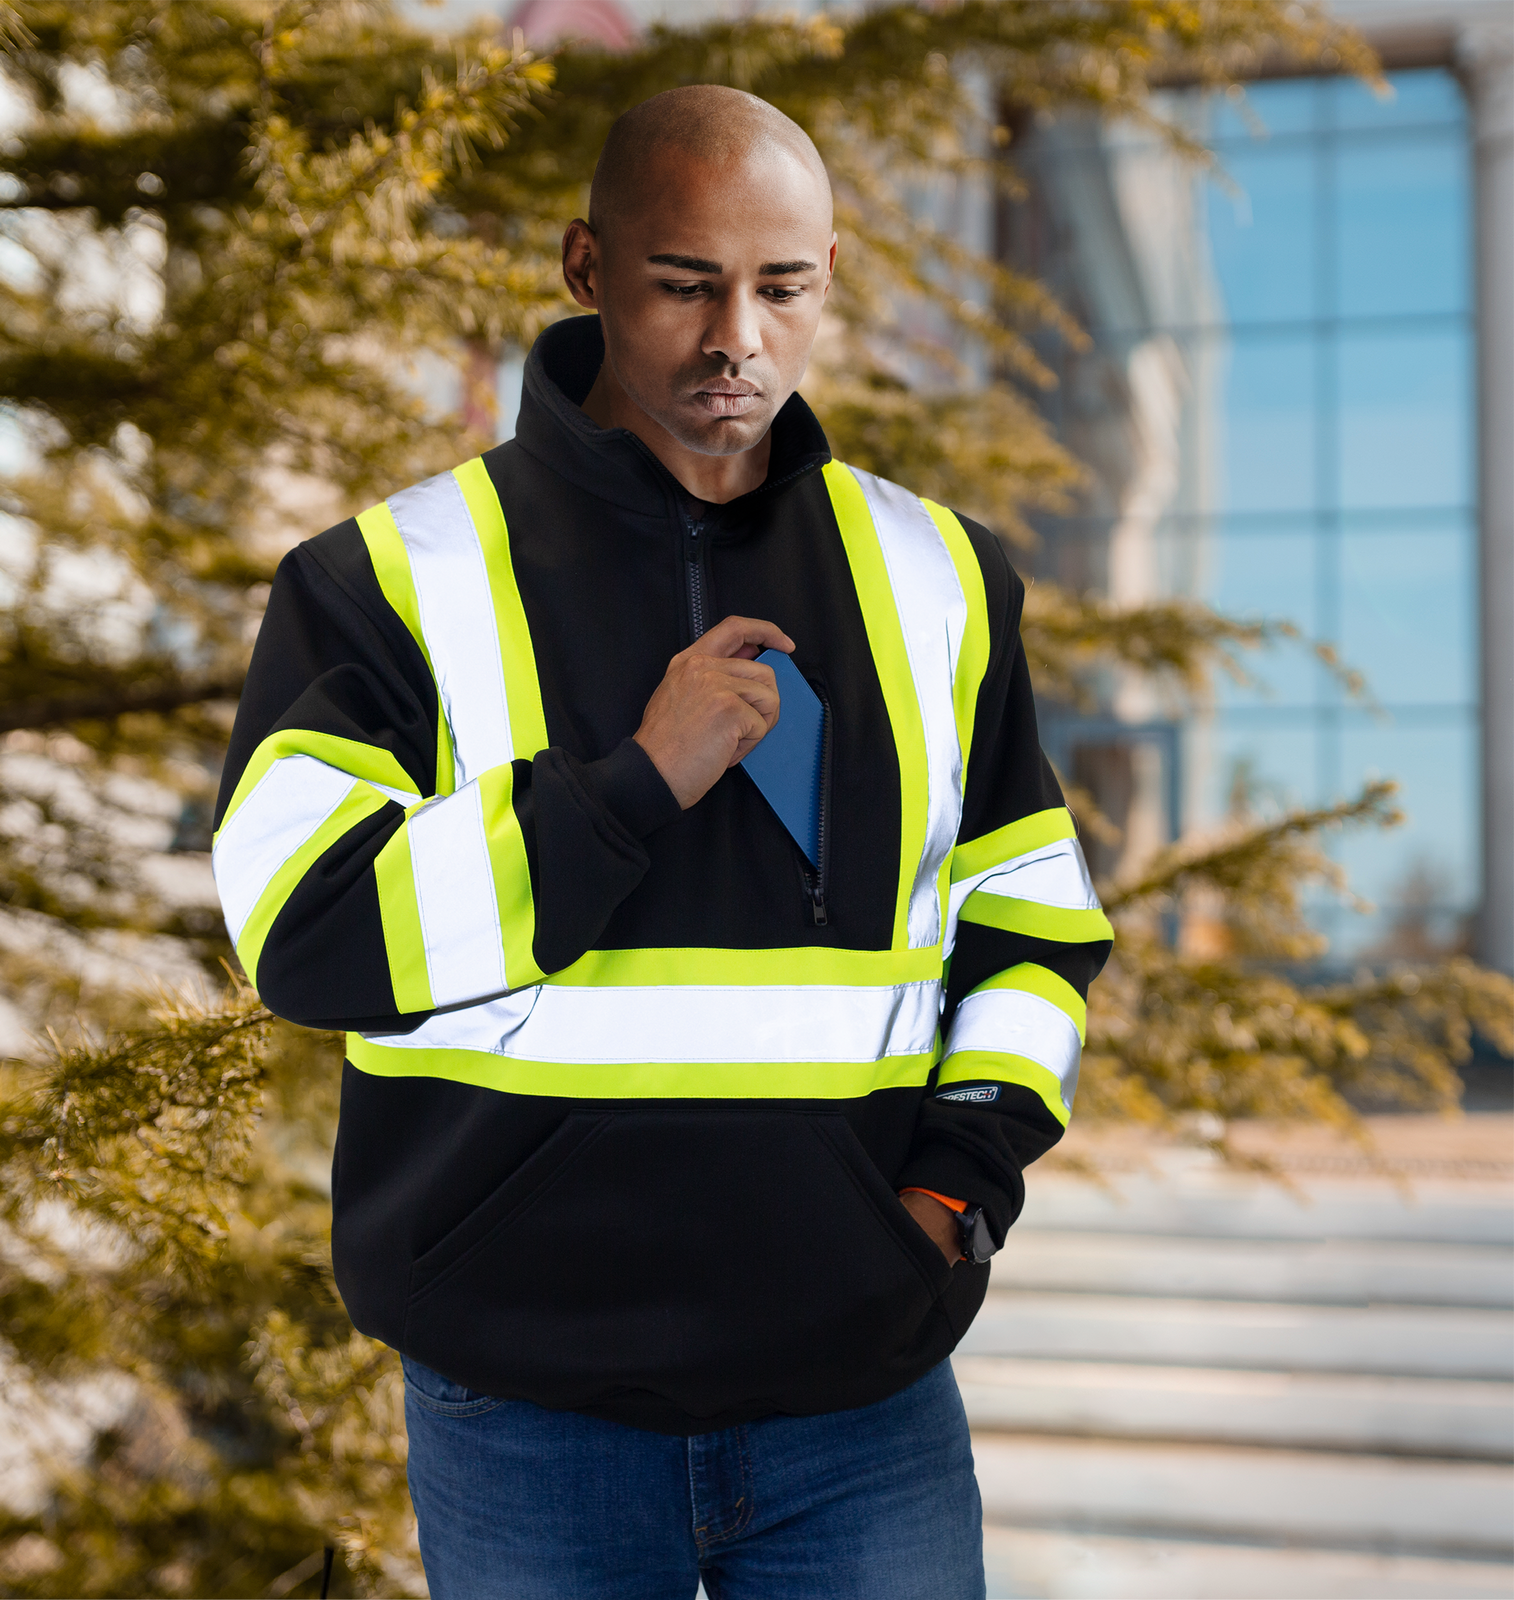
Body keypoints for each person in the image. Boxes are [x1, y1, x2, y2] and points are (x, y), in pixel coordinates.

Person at [212, 84, 1111, 1600]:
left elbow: (1032, 928)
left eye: (782, 288)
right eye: (686, 282)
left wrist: (955, 1195)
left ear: (832, 277)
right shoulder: (383, 578)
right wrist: (628, 787)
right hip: (527, 1411)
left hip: (860, 1400)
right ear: (588, 268)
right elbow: (303, 932)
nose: (734, 338)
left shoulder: (946, 579)